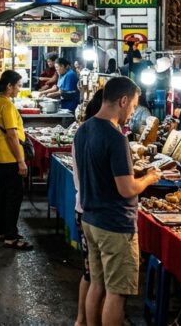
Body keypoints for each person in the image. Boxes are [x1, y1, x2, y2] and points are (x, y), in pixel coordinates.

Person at [75, 77, 161, 326]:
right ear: (123, 100)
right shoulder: (115, 137)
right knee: (117, 292)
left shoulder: (84, 128)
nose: (132, 111)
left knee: (97, 284)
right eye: (133, 105)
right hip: (114, 225)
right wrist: (149, 178)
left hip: (91, 219)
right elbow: (126, 189)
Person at [0, 70, 32, 250]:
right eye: (18, 86)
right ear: (9, 86)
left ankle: (2, 231)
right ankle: (11, 237)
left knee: (3, 194)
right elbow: (12, 135)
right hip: (9, 157)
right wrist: (21, 161)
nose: (19, 90)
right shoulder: (7, 106)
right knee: (14, 196)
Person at [74, 89, 104, 326]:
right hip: (95, 212)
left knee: (90, 273)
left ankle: (81, 319)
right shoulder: (103, 136)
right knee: (98, 277)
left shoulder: (82, 133)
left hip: (82, 207)